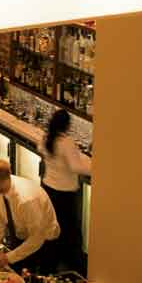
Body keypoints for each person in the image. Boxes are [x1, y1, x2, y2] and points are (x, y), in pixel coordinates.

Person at [0, 159, 60, 274]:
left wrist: (8, 257)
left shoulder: (26, 200)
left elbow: (37, 238)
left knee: (37, 282)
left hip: (45, 243)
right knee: (16, 273)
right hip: (21, 235)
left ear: (0, 182)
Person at [41, 109, 93, 271]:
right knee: (70, 230)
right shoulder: (66, 142)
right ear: (67, 125)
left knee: (52, 226)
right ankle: (75, 266)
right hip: (64, 192)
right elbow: (76, 167)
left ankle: (51, 262)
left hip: (48, 187)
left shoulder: (46, 139)